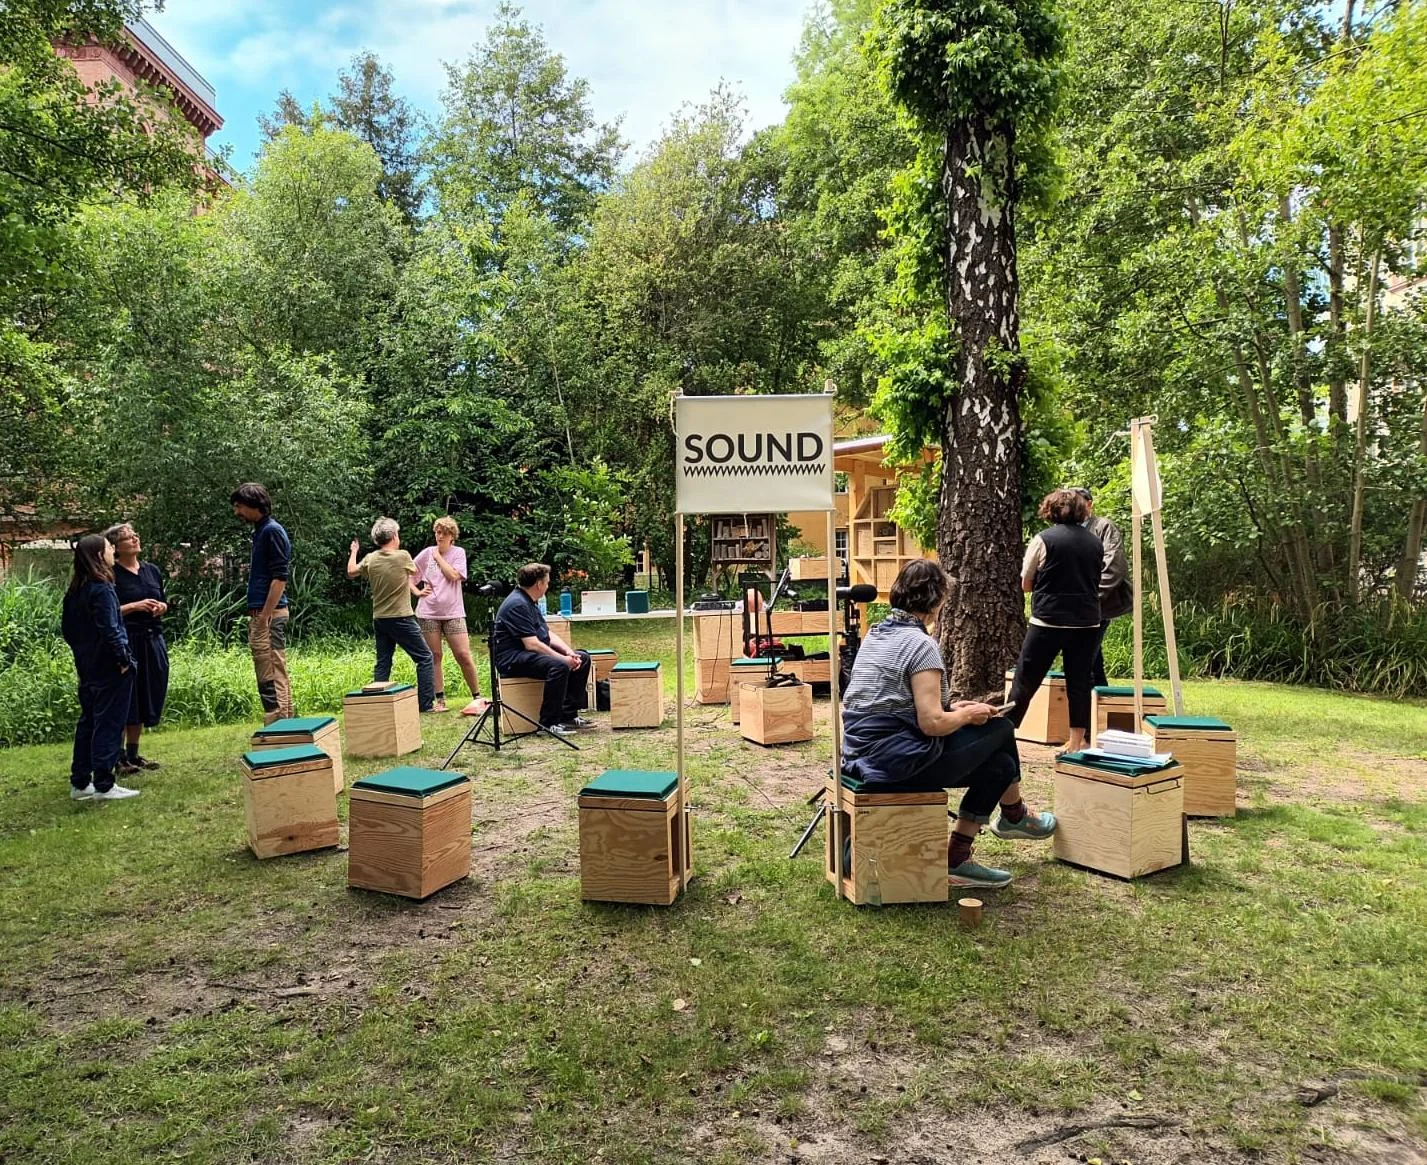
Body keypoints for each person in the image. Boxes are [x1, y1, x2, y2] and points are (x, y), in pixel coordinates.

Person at [841, 560, 1055, 889]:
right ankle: (1013, 814)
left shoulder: (876, 635)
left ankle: (960, 853)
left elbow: (898, 703)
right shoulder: (921, 645)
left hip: (862, 754)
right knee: (1001, 729)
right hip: (895, 762)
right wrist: (967, 716)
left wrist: (957, 707)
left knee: (999, 766)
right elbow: (931, 724)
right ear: (938, 599)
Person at [1006, 488, 1105, 753]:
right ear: (1083, 510)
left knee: (1025, 679)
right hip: (1086, 621)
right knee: (1080, 681)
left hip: (1048, 620)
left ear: (1050, 509)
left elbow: (1026, 583)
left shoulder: (1043, 539)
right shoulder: (1095, 542)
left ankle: (1004, 736)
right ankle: (1076, 742)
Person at [61, 534, 141, 801]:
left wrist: (85, 655)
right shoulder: (102, 588)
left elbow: (68, 631)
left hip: (87, 667)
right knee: (108, 723)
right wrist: (124, 661)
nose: (112, 551)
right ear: (98, 555)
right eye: (109, 548)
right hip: (110, 668)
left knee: (89, 723)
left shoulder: (75, 590)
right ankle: (104, 784)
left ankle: (81, 783)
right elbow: (111, 629)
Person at [492, 563, 593, 738]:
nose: (548, 586)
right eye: (547, 582)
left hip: (527, 653)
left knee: (582, 658)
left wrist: (569, 652)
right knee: (558, 666)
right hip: (511, 658)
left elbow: (546, 634)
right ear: (539, 584)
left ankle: (568, 714)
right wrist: (562, 660)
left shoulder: (529, 601)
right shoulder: (518, 605)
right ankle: (548, 723)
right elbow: (532, 644)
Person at [347, 518, 436, 713]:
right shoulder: (402, 556)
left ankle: (379, 703)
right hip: (402, 617)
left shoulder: (371, 558)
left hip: (380, 618)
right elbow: (414, 571)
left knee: (383, 661)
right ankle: (427, 705)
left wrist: (354, 551)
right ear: (394, 536)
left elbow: (351, 571)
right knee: (425, 658)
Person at [103, 523, 169, 773]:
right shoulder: (111, 575)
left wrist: (161, 606)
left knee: (146, 694)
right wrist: (133, 606)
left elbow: (161, 598)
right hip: (128, 640)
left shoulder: (151, 570)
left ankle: (133, 753)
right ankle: (116, 757)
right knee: (126, 697)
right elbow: (106, 612)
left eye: (135, 536)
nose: (134, 540)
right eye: (127, 538)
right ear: (116, 548)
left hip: (153, 639)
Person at [231, 483, 293, 725]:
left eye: (239, 506)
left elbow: (280, 578)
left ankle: (282, 726)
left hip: (270, 613)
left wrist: (266, 615)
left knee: (273, 670)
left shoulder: (272, 531)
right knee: (264, 671)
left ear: (253, 504)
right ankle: (275, 723)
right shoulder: (260, 531)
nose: (237, 512)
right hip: (262, 613)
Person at [413, 517, 487, 715]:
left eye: (444, 533)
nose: (440, 536)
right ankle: (439, 698)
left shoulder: (458, 553)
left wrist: (438, 558)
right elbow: (408, 574)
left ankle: (477, 697)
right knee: (434, 655)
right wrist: (416, 591)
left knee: (463, 654)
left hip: (453, 612)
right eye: (437, 533)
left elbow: (454, 576)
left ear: (452, 536)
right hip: (428, 612)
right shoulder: (426, 553)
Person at [1073, 487, 1132, 688]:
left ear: (1089, 504)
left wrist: (1093, 597)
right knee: (1091, 659)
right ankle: (1104, 706)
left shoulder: (1104, 527)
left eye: (1078, 502)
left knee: (1083, 659)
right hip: (1076, 605)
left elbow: (1114, 566)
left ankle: (1087, 710)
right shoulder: (1068, 529)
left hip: (1098, 605)